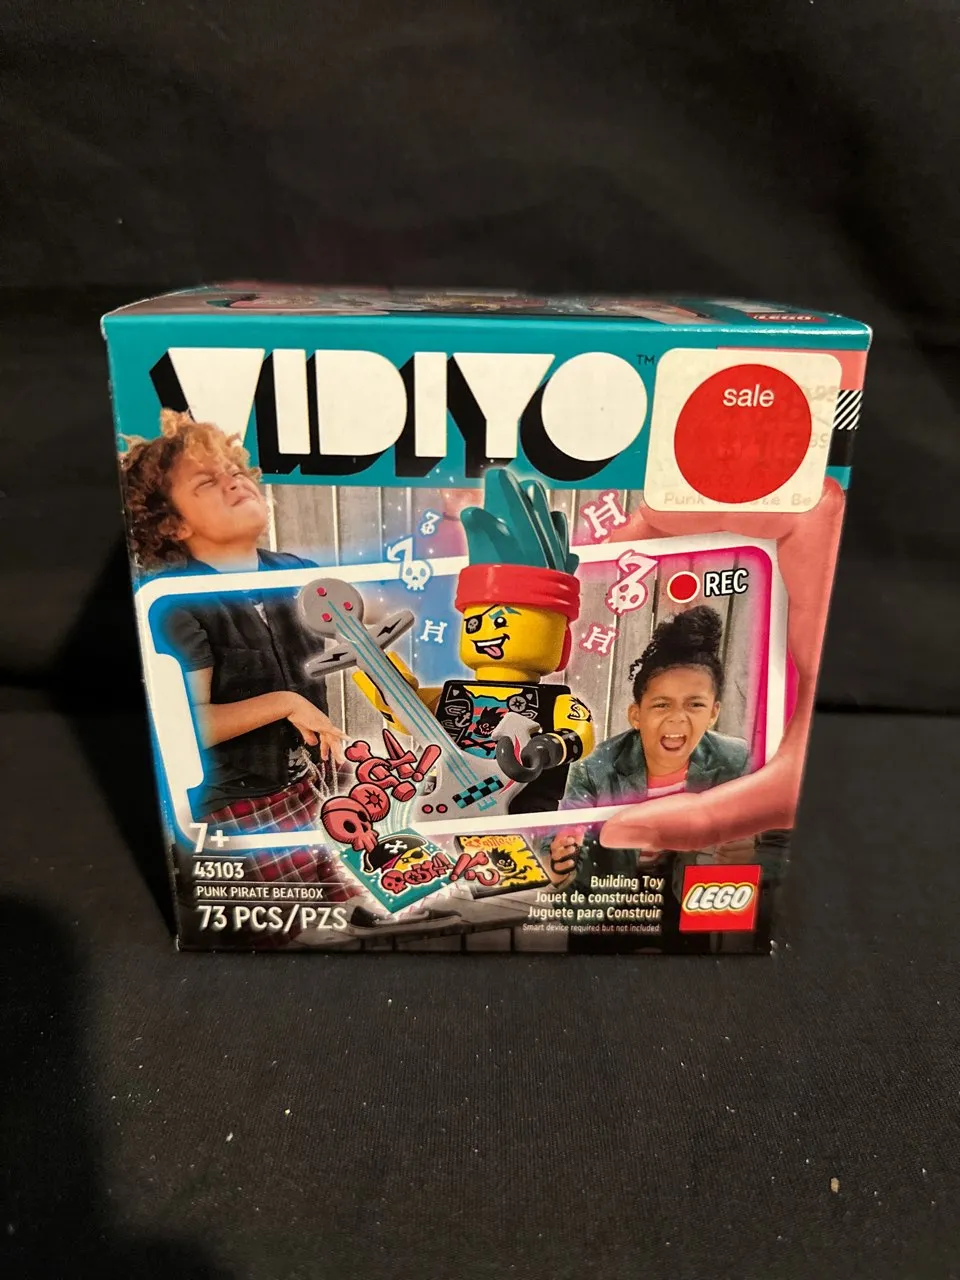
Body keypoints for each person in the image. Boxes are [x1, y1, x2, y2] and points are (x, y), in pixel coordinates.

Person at [120, 409, 347, 842]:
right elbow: (186, 725)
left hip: (313, 783)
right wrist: (285, 703)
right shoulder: (174, 603)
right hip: (234, 808)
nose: (233, 481)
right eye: (207, 482)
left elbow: (368, 627)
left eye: (235, 471)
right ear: (173, 524)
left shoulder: (296, 572)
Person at [545, 606, 752, 899]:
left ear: (713, 713)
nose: (677, 719)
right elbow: (555, 846)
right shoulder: (595, 768)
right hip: (612, 899)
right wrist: (561, 857)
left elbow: (780, 844)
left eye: (695, 705)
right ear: (636, 715)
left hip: (692, 897)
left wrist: (751, 855)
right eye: (662, 705)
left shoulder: (735, 760)